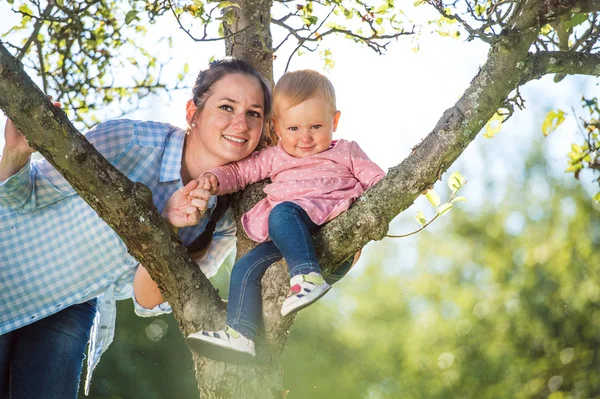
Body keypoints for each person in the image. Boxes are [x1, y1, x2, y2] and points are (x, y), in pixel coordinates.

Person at [0, 59, 272, 398]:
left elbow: (146, 299)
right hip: (10, 270)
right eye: (226, 107)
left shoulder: (226, 216)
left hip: (71, 302)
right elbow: (24, 195)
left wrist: (167, 228)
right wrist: (14, 152)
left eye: (254, 113)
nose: (240, 123)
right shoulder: (130, 140)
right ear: (193, 112)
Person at [178, 69, 385, 364]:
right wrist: (214, 178)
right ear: (276, 127)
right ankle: (241, 334)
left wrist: (403, 188)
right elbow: (240, 172)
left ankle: (308, 277)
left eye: (316, 126)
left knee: (282, 211)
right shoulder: (276, 156)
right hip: (289, 236)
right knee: (245, 267)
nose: (305, 138)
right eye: (293, 129)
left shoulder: (346, 151)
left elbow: (377, 181)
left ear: (334, 121)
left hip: (328, 224)